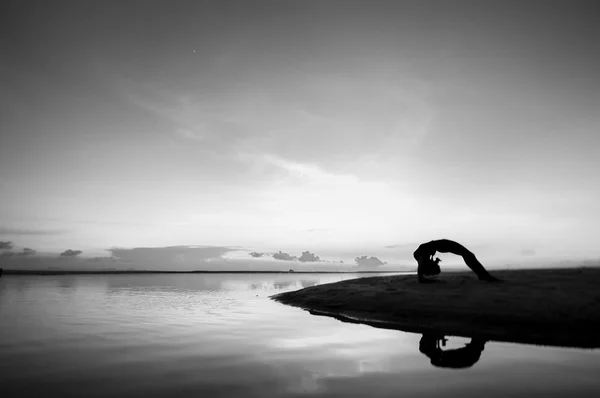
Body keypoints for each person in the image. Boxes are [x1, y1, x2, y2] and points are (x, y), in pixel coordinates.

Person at [414, 239, 501, 283]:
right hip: (441, 245)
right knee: (468, 254)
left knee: (468, 254)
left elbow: (420, 278)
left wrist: (429, 280)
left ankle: (483, 275)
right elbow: (421, 277)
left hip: (440, 245)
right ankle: (483, 275)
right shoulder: (422, 258)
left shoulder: (421, 259)